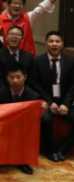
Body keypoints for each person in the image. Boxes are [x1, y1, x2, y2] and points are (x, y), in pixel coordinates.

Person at [0, 62, 47, 175]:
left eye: (18, 77)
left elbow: (34, 119)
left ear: (25, 77)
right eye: (11, 77)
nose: (15, 80)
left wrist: (42, 111)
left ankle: (22, 161)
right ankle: (4, 157)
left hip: (24, 128)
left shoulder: (33, 96)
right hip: (5, 127)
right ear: (7, 78)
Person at [29, 31, 74, 162]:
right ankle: (51, 150)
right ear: (46, 44)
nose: (54, 44)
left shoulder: (70, 61)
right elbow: (34, 84)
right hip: (46, 102)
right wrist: (49, 102)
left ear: (62, 45)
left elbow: (73, 85)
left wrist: (66, 103)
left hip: (64, 102)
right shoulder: (36, 61)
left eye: (57, 41)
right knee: (46, 119)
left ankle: (62, 149)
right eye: (51, 41)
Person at [0, 0, 67, 55]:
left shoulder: (27, 18)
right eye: (14, 3)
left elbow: (44, 6)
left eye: (20, 4)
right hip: (6, 57)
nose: (17, 6)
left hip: (27, 57)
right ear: (9, 5)